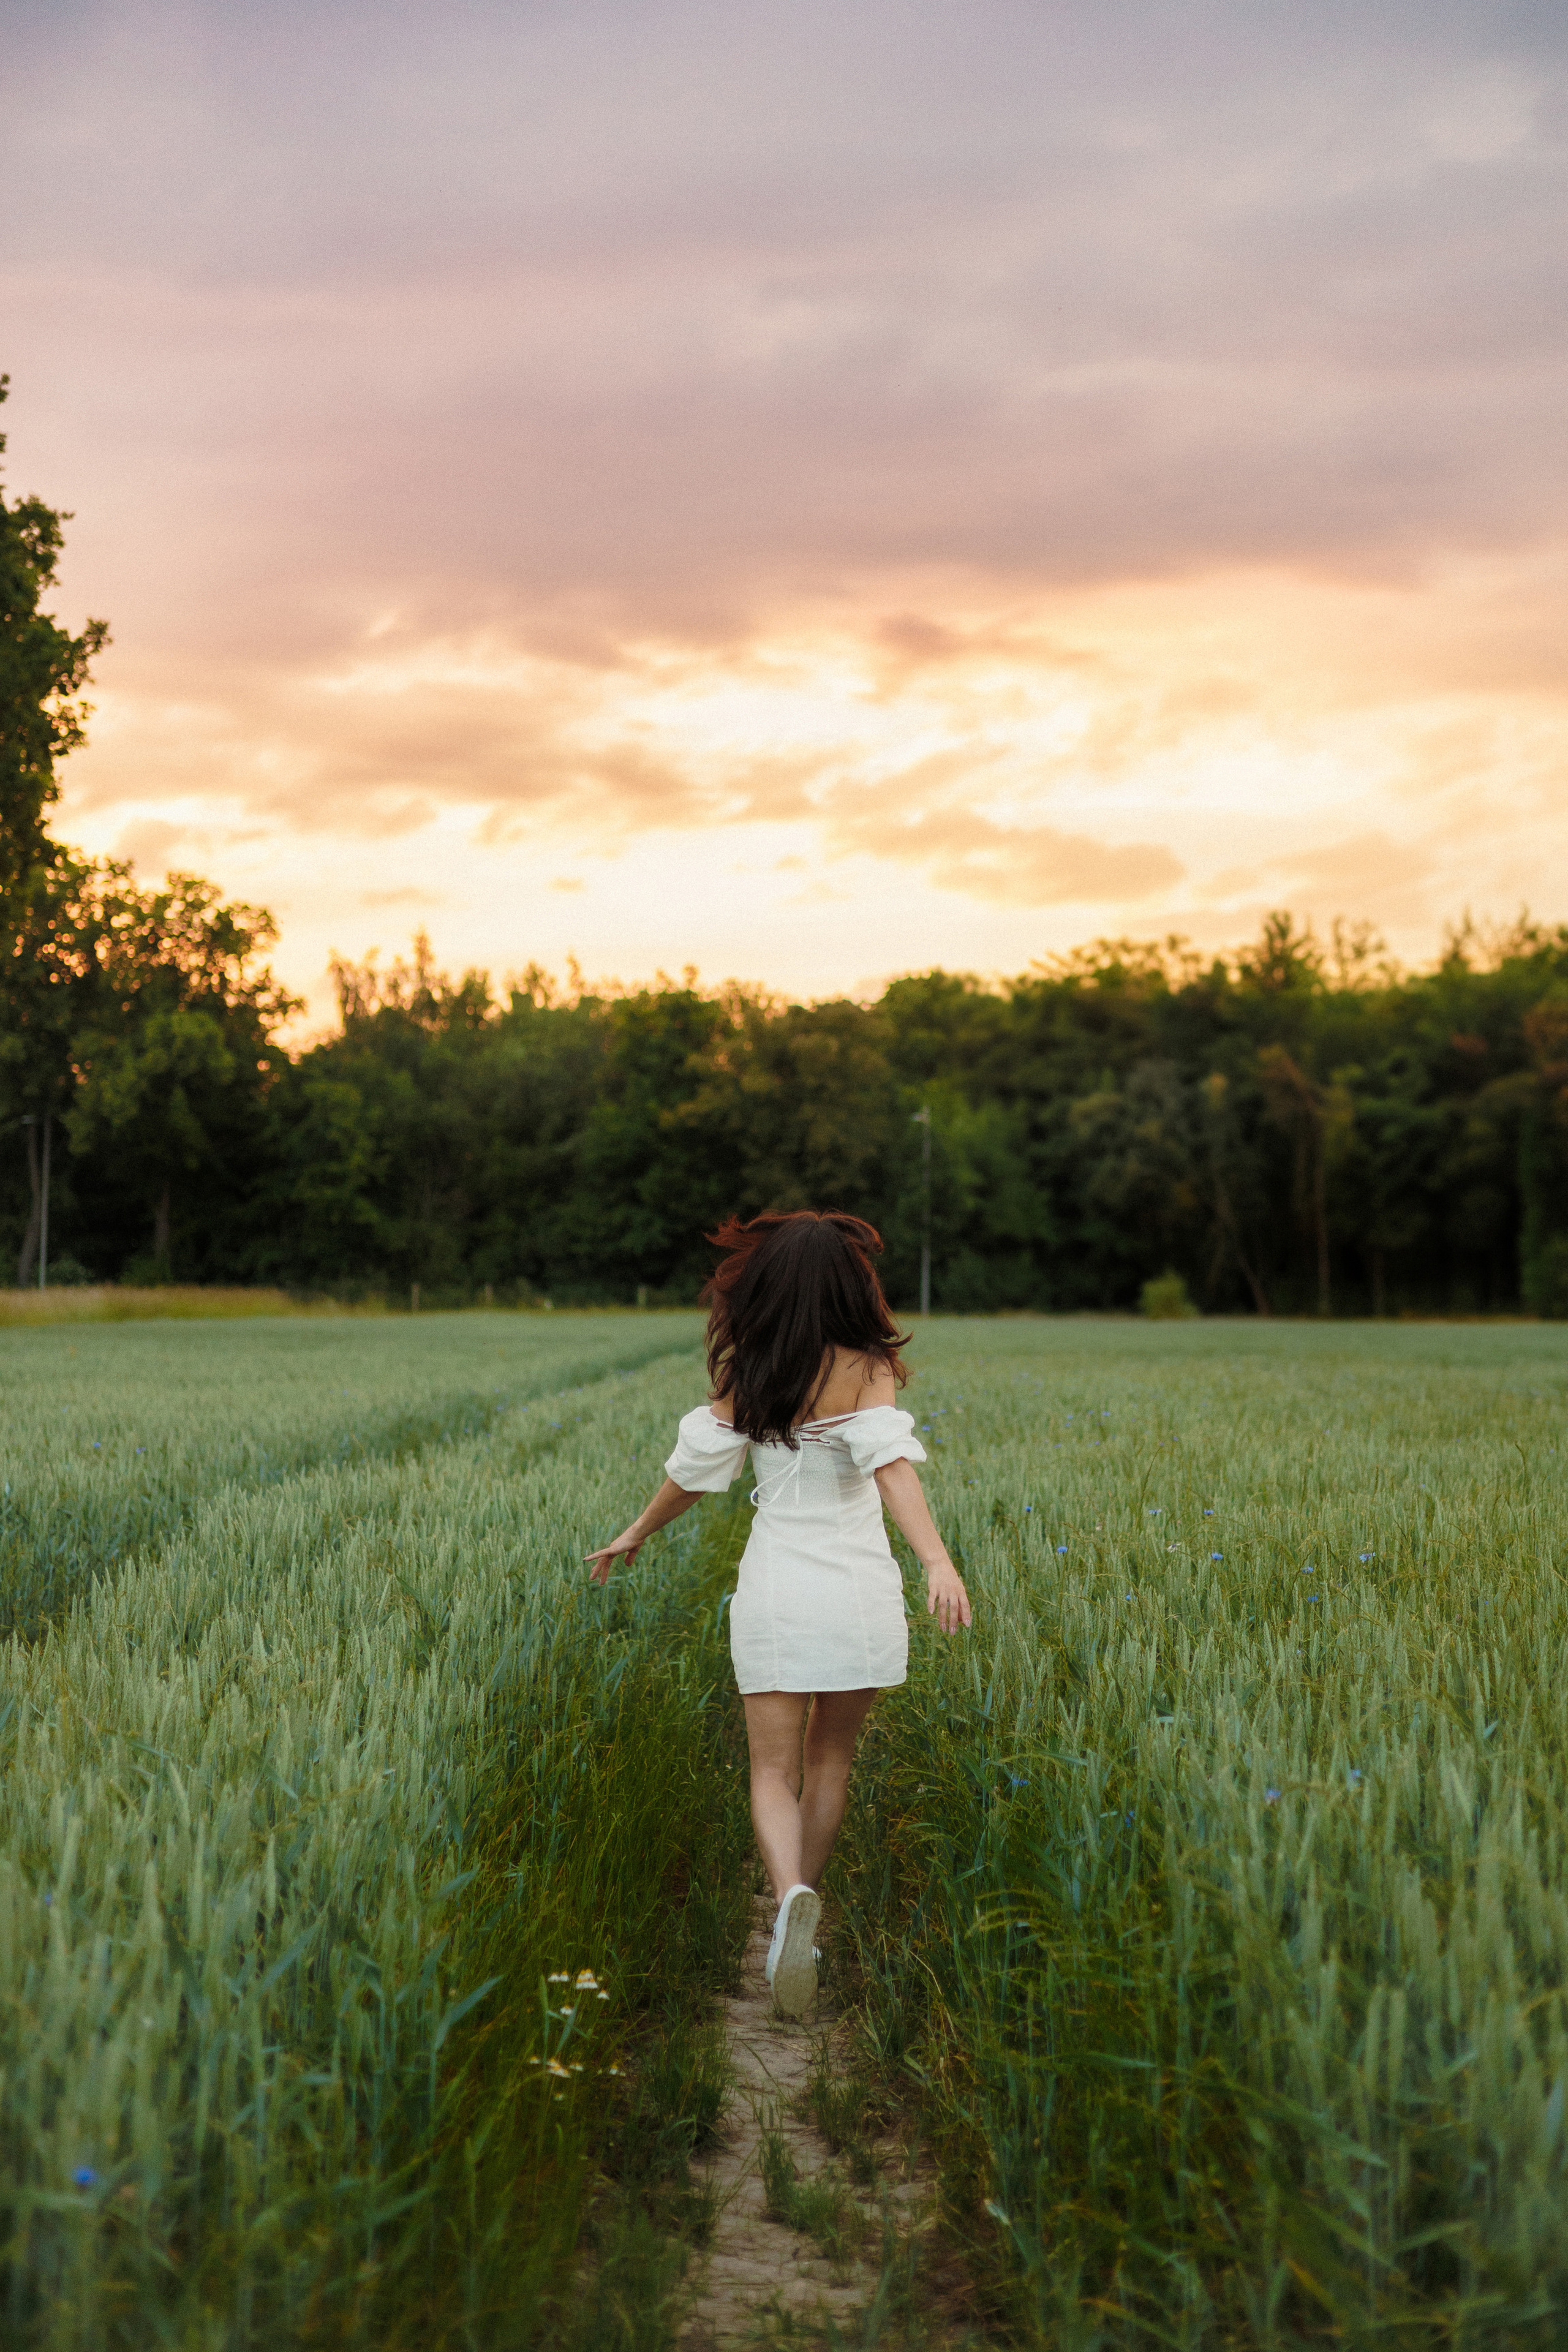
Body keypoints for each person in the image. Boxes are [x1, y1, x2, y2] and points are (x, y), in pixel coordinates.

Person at [584, 1210, 972, 2018]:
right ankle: (806, 1906)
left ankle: (788, 1893)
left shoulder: (752, 1371)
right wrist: (935, 1559)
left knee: (772, 1769)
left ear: (768, 1284)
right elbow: (892, 1466)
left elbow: (694, 1475)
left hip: (777, 1587)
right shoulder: (868, 1366)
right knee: (831, 1764)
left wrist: (636, 1532)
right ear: (848, 1285)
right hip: (859, 1588)